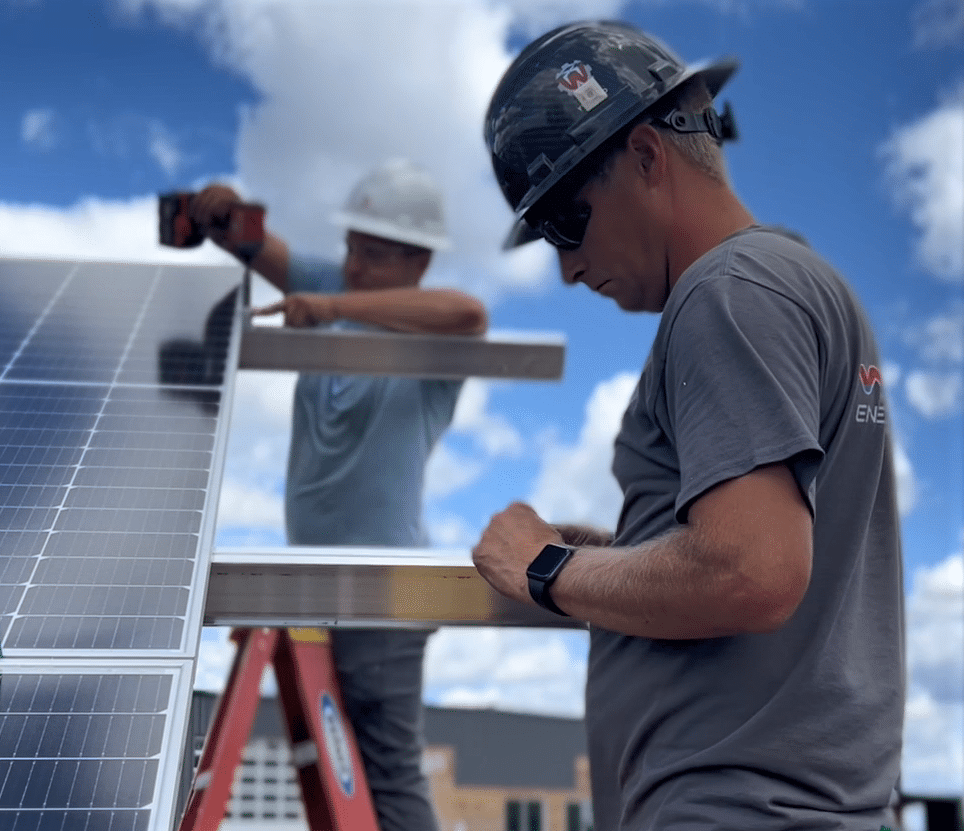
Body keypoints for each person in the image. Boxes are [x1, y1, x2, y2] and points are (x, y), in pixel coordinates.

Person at [472, 20, 904, 831]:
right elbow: (766, 551)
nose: (565, 268)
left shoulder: (729, 293)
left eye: (567, 220)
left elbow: (752, 570)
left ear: (645, 156)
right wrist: (622, 555)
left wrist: (546, 567)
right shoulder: (794, 284)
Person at [189, 159, 487, 831]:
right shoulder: (336, 283)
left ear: (418, 260)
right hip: (323, 584)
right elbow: (253, 245)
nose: (351, 264)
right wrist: (227, 214)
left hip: (388, 590)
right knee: (342, 765)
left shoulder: (426, 328)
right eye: (351, 245)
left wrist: (330, 307)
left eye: (374, 254)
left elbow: (469, 311)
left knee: (386, 771)